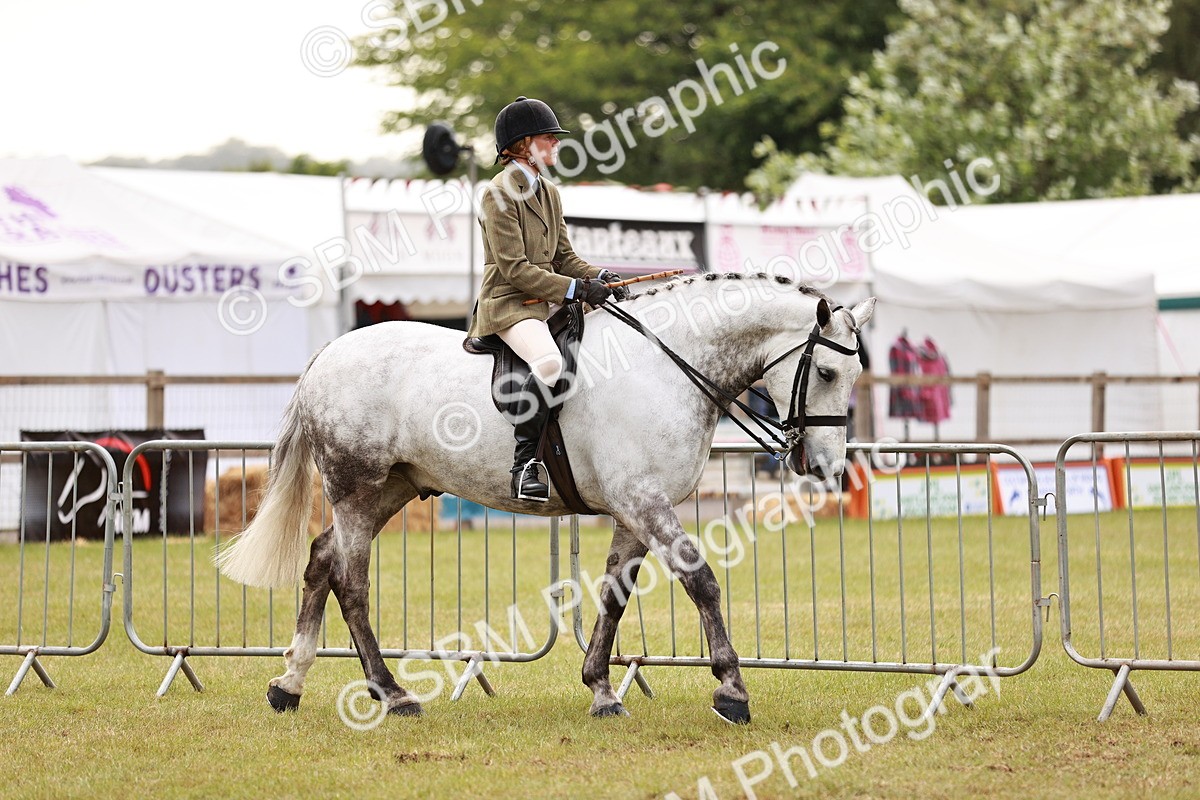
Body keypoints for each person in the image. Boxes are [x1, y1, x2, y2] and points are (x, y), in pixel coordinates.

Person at [468, 96, 624, 502]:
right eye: (548, 138)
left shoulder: (549, 193)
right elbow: (514, 269)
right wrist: (574, 290)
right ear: (522, 145)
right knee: (550, 362)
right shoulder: (497, 194)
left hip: (545, 302)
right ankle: (524, 466)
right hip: (509, 304)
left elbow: (564, 258)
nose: (556, 145)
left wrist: (598, 276)